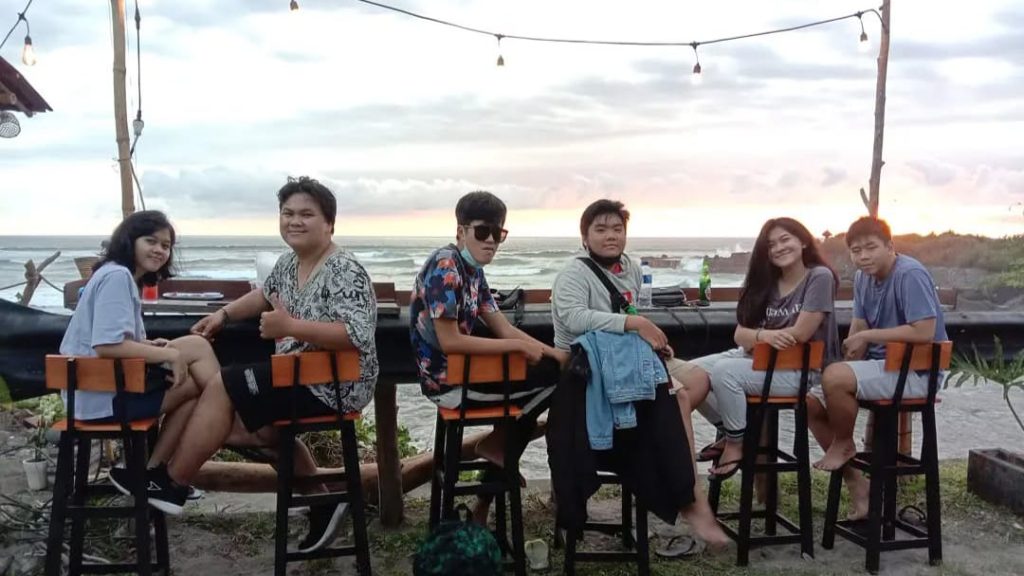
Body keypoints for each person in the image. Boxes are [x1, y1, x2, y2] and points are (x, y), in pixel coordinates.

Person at [111, 177, 379, 554]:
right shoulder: (289, 263)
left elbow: (357, 334)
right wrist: (223, 315)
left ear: (329, 224)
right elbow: (263, 296)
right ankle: (323, 501)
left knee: (223, 386)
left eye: (306, 214)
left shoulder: (343, 269)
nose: (294, 221)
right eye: (287, 213)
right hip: (294, 373)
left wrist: (290, 327)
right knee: (239, 420)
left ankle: (172, 482)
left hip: (333, 382)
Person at [549, 199, 728, 549]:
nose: (610, 236)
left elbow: (628, 311)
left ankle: (650, 441)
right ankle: (691, 497)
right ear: (584, 236)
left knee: (697, 379)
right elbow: (574, 318)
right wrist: (635, 324)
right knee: (676, 396)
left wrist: (648, 341)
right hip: (588, 370)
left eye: (617, 229)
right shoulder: (573, 274)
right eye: (601, 229)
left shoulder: (629, 267)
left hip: (629, 359)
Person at [410, 191, 566, 520]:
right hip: (448, 383)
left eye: (498, 233)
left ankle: (496, 457)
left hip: (468, 372)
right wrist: (518, 349)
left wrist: (554, 353)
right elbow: (450, 341)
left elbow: (503, 328)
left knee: (555, 375)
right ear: (461, 231)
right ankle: (496, 461)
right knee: (553, 383)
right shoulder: (446, 265)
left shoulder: (474, 272)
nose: (491, 241)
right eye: (483, 232)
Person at [680, 218, 840, 482]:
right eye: (771, 245)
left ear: (802, 241)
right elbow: (739, 334)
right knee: (689, 373)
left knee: (725, 372)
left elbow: (801, 333)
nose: (778, 248)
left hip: (800, 371)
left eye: (785, 239)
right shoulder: (766, 282)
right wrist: (765, 336)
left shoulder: (818, 276)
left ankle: (735, 442)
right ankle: (731, 429)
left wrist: (756, 338)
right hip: (755, 360)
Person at [58, 210, 221, 471]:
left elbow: (108, 338)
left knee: (194, 367)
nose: (159, 250)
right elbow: (107, 345)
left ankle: (155, 471)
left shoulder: (114, 274)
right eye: (150, 241)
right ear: (129, 240)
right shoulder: (118, 277)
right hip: (102, 401)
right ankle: (229, 418)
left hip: (92, 395)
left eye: (165, 245)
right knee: (196, 363)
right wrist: (170, 354)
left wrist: (148, 345)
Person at [812, 217, 947, 474]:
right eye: (856, 250)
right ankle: (857, 482)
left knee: (836, 378)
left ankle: (843, 442)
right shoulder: (862, 278)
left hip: (915, 373)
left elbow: (924, 331)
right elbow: (859, 325)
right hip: (881, 367)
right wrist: (847, 357)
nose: (863, 256)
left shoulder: (910, 274)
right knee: (809, 400)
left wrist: (867, 337)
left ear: (890, 246)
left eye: (871, 247)